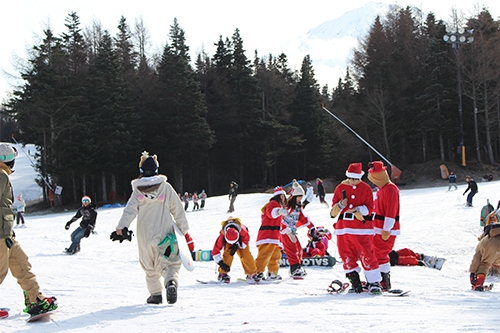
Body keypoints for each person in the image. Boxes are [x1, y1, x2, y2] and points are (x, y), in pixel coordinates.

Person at [113, 151, 190, 305]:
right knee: (169, 262)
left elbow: (129, 210)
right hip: (165, 233)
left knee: (149, 265)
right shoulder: (165, 187)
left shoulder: (137, 191)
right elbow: (177, 209)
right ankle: (171, 282)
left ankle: (155, 295)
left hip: (145, 235)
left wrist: (122, 227)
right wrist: (183, 229)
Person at [0, 143, 58, 317]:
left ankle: (35, 300)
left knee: (22, 264)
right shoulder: (1, 175)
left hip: (6, 232)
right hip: (0, 233)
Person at [330, 163, 382, 294]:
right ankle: (355, 281)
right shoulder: (340, 187)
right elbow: (333, 210)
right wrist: (341, 205)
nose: (353, 181)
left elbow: (370, 208)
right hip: (344, 228)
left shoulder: (366, 188)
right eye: (351, 178)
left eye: (356, 179)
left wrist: (359, 210)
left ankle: (374, 281)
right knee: (346, 254)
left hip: (362, 227)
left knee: (367, 253)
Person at [368, 161, 401, 291]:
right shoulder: (381, 189)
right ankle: (378, 279)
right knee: (375, 253)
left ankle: (384, 281)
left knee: (380, 254)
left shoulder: (390, 189)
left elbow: (391, 210)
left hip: (386, 229)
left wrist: (387, 228)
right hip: (378, 228)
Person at [281, 180, 316, 278]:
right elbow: (279, 219)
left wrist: (312, 228)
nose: (301, 198)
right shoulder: (287, 206)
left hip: (291, 232)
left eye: (302, 196)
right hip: (284, 231)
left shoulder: (298, 207)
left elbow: (304, 218)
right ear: (294, 196)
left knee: (299, 249)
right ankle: (294, 269)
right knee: (292, 249)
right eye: (299, 196)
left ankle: (297, 267)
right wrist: (286, 230)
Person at [254, 186, 287, 281]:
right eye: (283, 196)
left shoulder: (278, 206)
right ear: (280, 196)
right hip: (267, 236)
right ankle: (257, 272)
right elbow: (270, 213)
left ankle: (273, 273)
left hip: (274, 237)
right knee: (264, 255)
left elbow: (279, 224)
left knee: (275, 256)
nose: (284, 198)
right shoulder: (273, 203)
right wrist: (279, 211)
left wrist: (287, 231)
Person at [212, 217, 257, 283]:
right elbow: (215, 251)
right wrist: (221, 264)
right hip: (228, 243)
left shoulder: (243, 231)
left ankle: (251, 273)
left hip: (241, 242)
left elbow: (246, 240)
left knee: (245, 254)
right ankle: (222, 274)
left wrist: (238, 245)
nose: (232, 243)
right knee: (228, 253)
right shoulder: (222, 235)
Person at [469, 223, 500, 291]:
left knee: (485, 264)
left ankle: (479, 284)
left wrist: (472, 272)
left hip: (492, 249)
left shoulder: (484, 241)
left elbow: (477, 258)